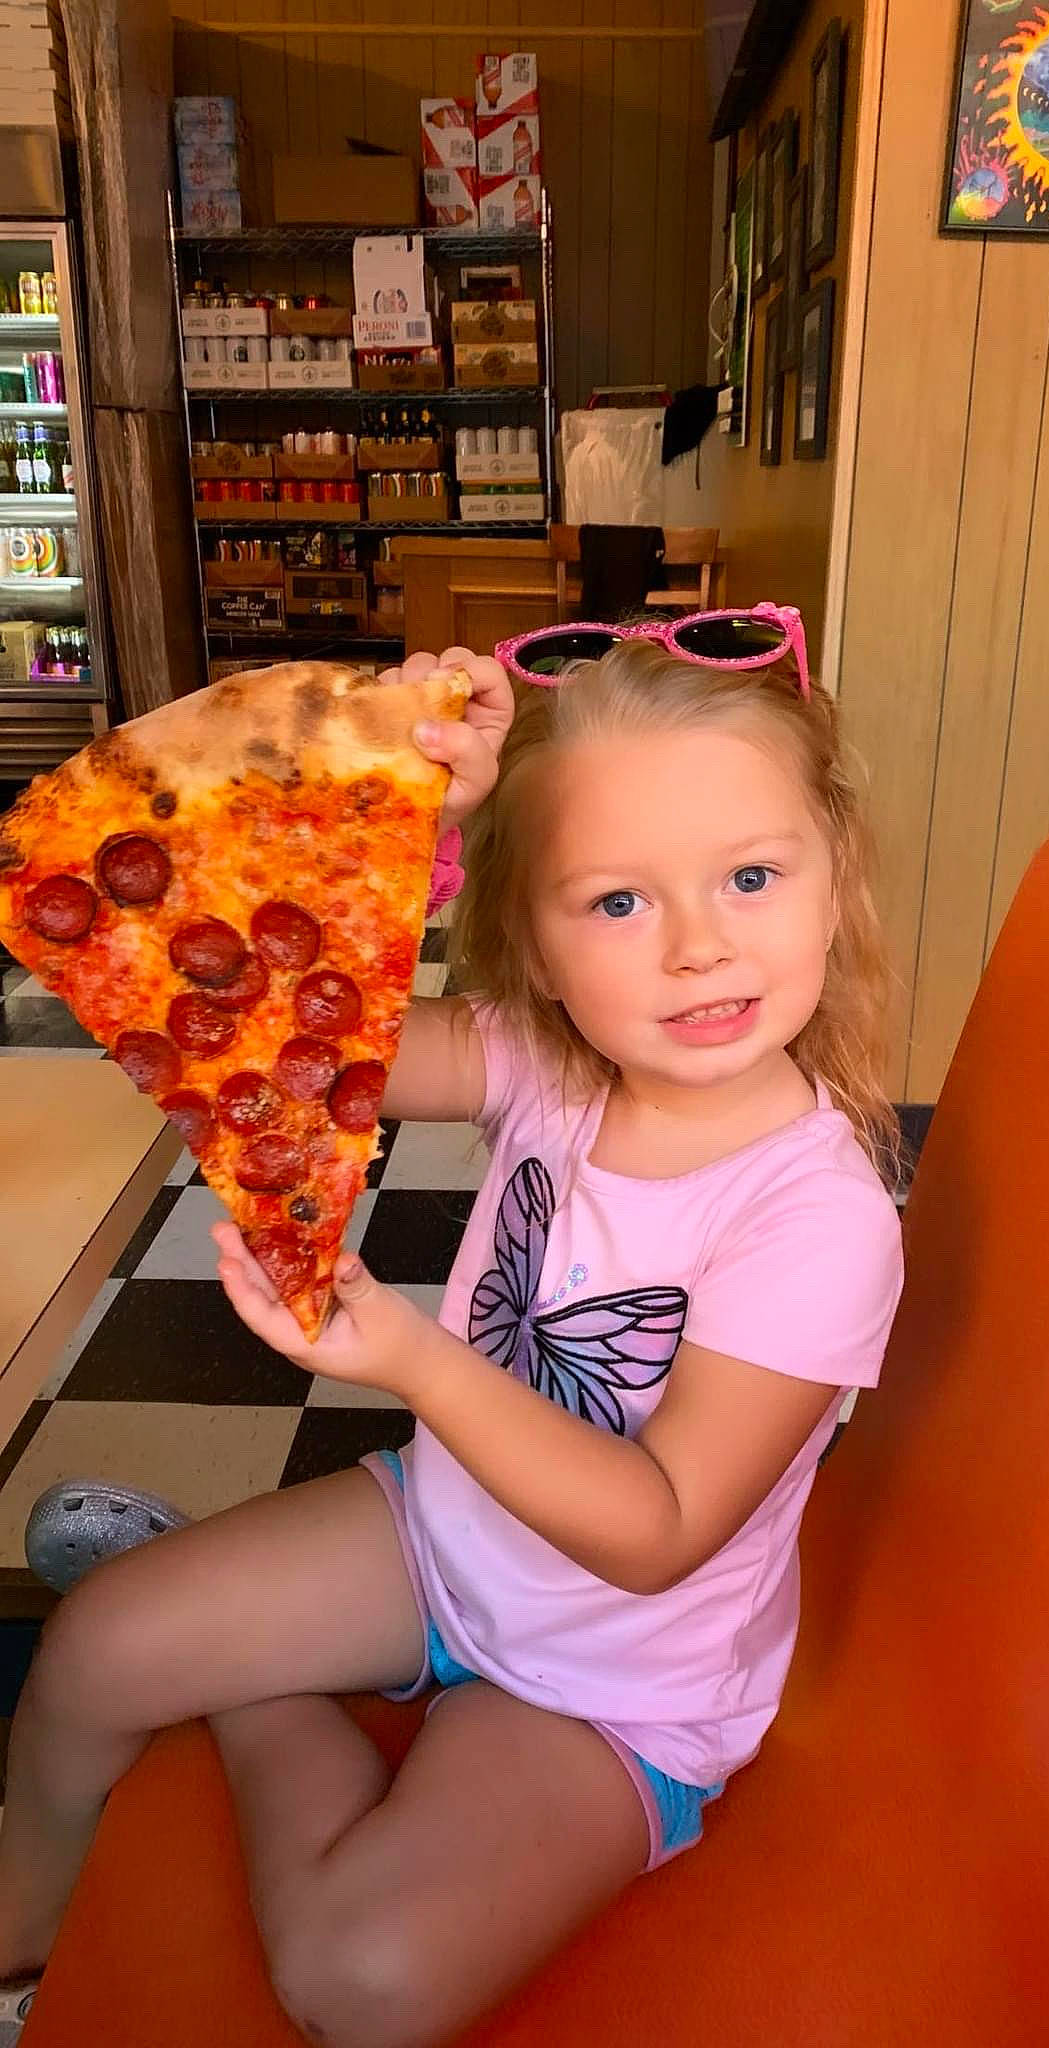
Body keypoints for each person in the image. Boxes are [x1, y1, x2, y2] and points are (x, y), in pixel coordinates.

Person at [0, 616, 904, 2048]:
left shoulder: (819, 1217)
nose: (697, 947)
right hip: (440, 1535)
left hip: (615, 1689)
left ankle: (256, 1689)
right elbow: (263, 1019)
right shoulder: (546, 1057)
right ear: (531, 945)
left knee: (362, 1984)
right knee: (100, 1643)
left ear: (831, 875)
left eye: (748, 876)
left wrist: (411, 1355)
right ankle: (18, 1947)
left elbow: (660, 1525)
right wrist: (399, 813)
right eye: (615, 902)